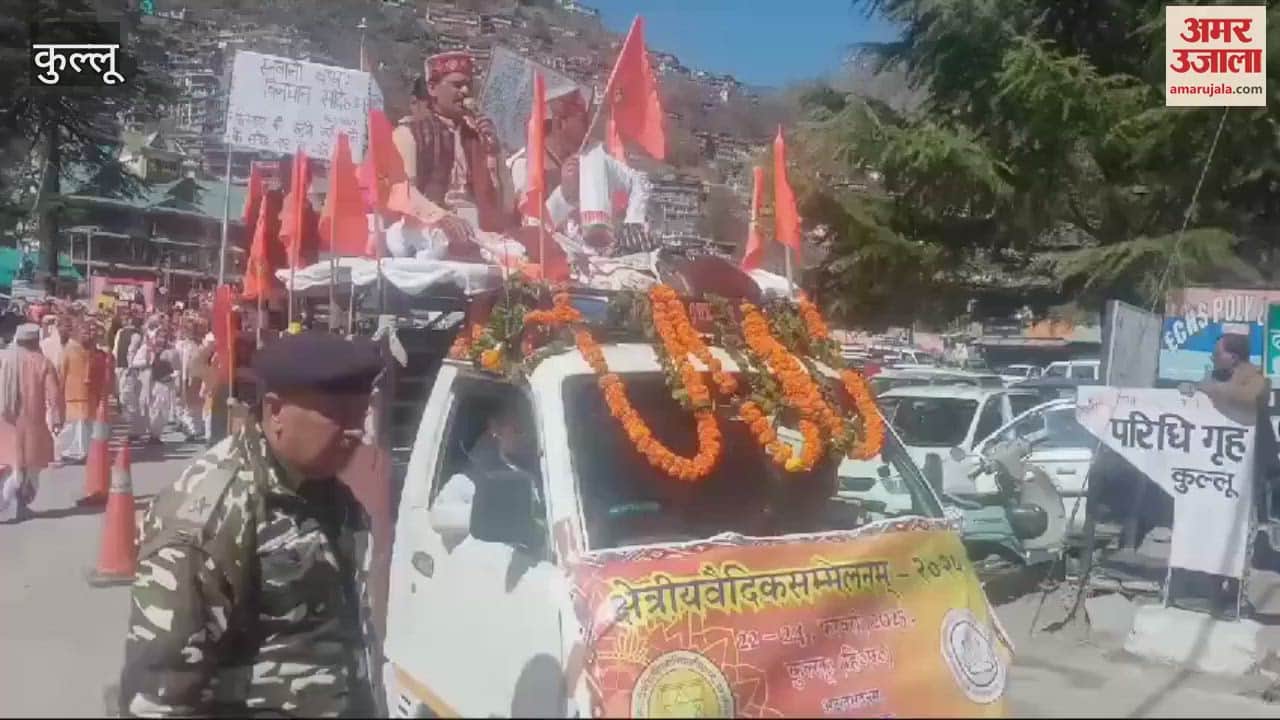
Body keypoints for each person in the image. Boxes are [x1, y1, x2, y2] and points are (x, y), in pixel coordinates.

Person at [119, 332, 382, 717]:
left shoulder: (325, 490)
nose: (356, 433)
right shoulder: (211, 515)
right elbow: (160, 696)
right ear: (275, 412)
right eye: (339, 416)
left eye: (360, 417)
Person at [391, 53, 511, 234]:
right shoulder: (409, 133)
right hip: (429, 231)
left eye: (468, 86)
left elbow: (506, 207)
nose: (465, 92)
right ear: (432, 88)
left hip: (478, 232)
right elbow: (403, 193)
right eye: (457, 85)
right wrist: (440, 217)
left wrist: (494, 155)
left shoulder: (480, 138)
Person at [430, 396, 543, 546]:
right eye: (518, 429)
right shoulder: (463, 484)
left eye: (530, 429)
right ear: (495, 428)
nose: (526, 437)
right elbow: (441, 521)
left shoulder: (538, 474)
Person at [0, 324, 63, 522]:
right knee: (29, 470)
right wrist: (56, 417)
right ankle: (11, 504)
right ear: (36, 341)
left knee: (14, 467)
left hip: (7, 421)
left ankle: (19, 508)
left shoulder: (4, 359)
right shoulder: (42, 363)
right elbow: (54, 395)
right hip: (32, 424)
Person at [56, 321, 95, 462]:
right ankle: (69, 452)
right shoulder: (69, 349)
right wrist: (59, 392)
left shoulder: (90, 349)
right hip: (73, 394)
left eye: (90, 332)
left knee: (85, 425)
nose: (89, 335)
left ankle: (83, 452)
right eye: (85, 333)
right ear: (78, 333)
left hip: (88, 394)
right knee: (75, 425)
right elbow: (61, 372)